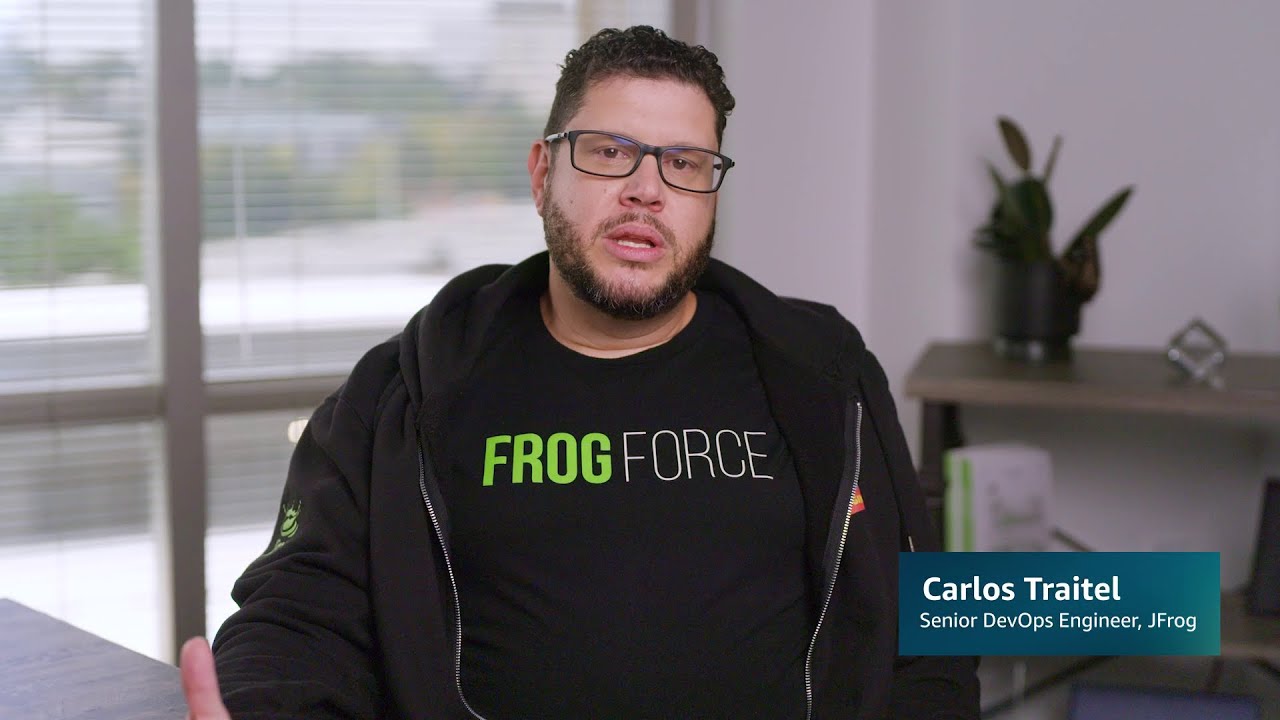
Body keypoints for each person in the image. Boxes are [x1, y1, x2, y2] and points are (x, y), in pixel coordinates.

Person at [180, 25, 980, 719]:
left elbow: (925, 626)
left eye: (685, 163)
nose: (647, 191)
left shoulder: (823, 373)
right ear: (542, 175)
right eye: (609, 153)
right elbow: (300, 616)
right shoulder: (400, 394)